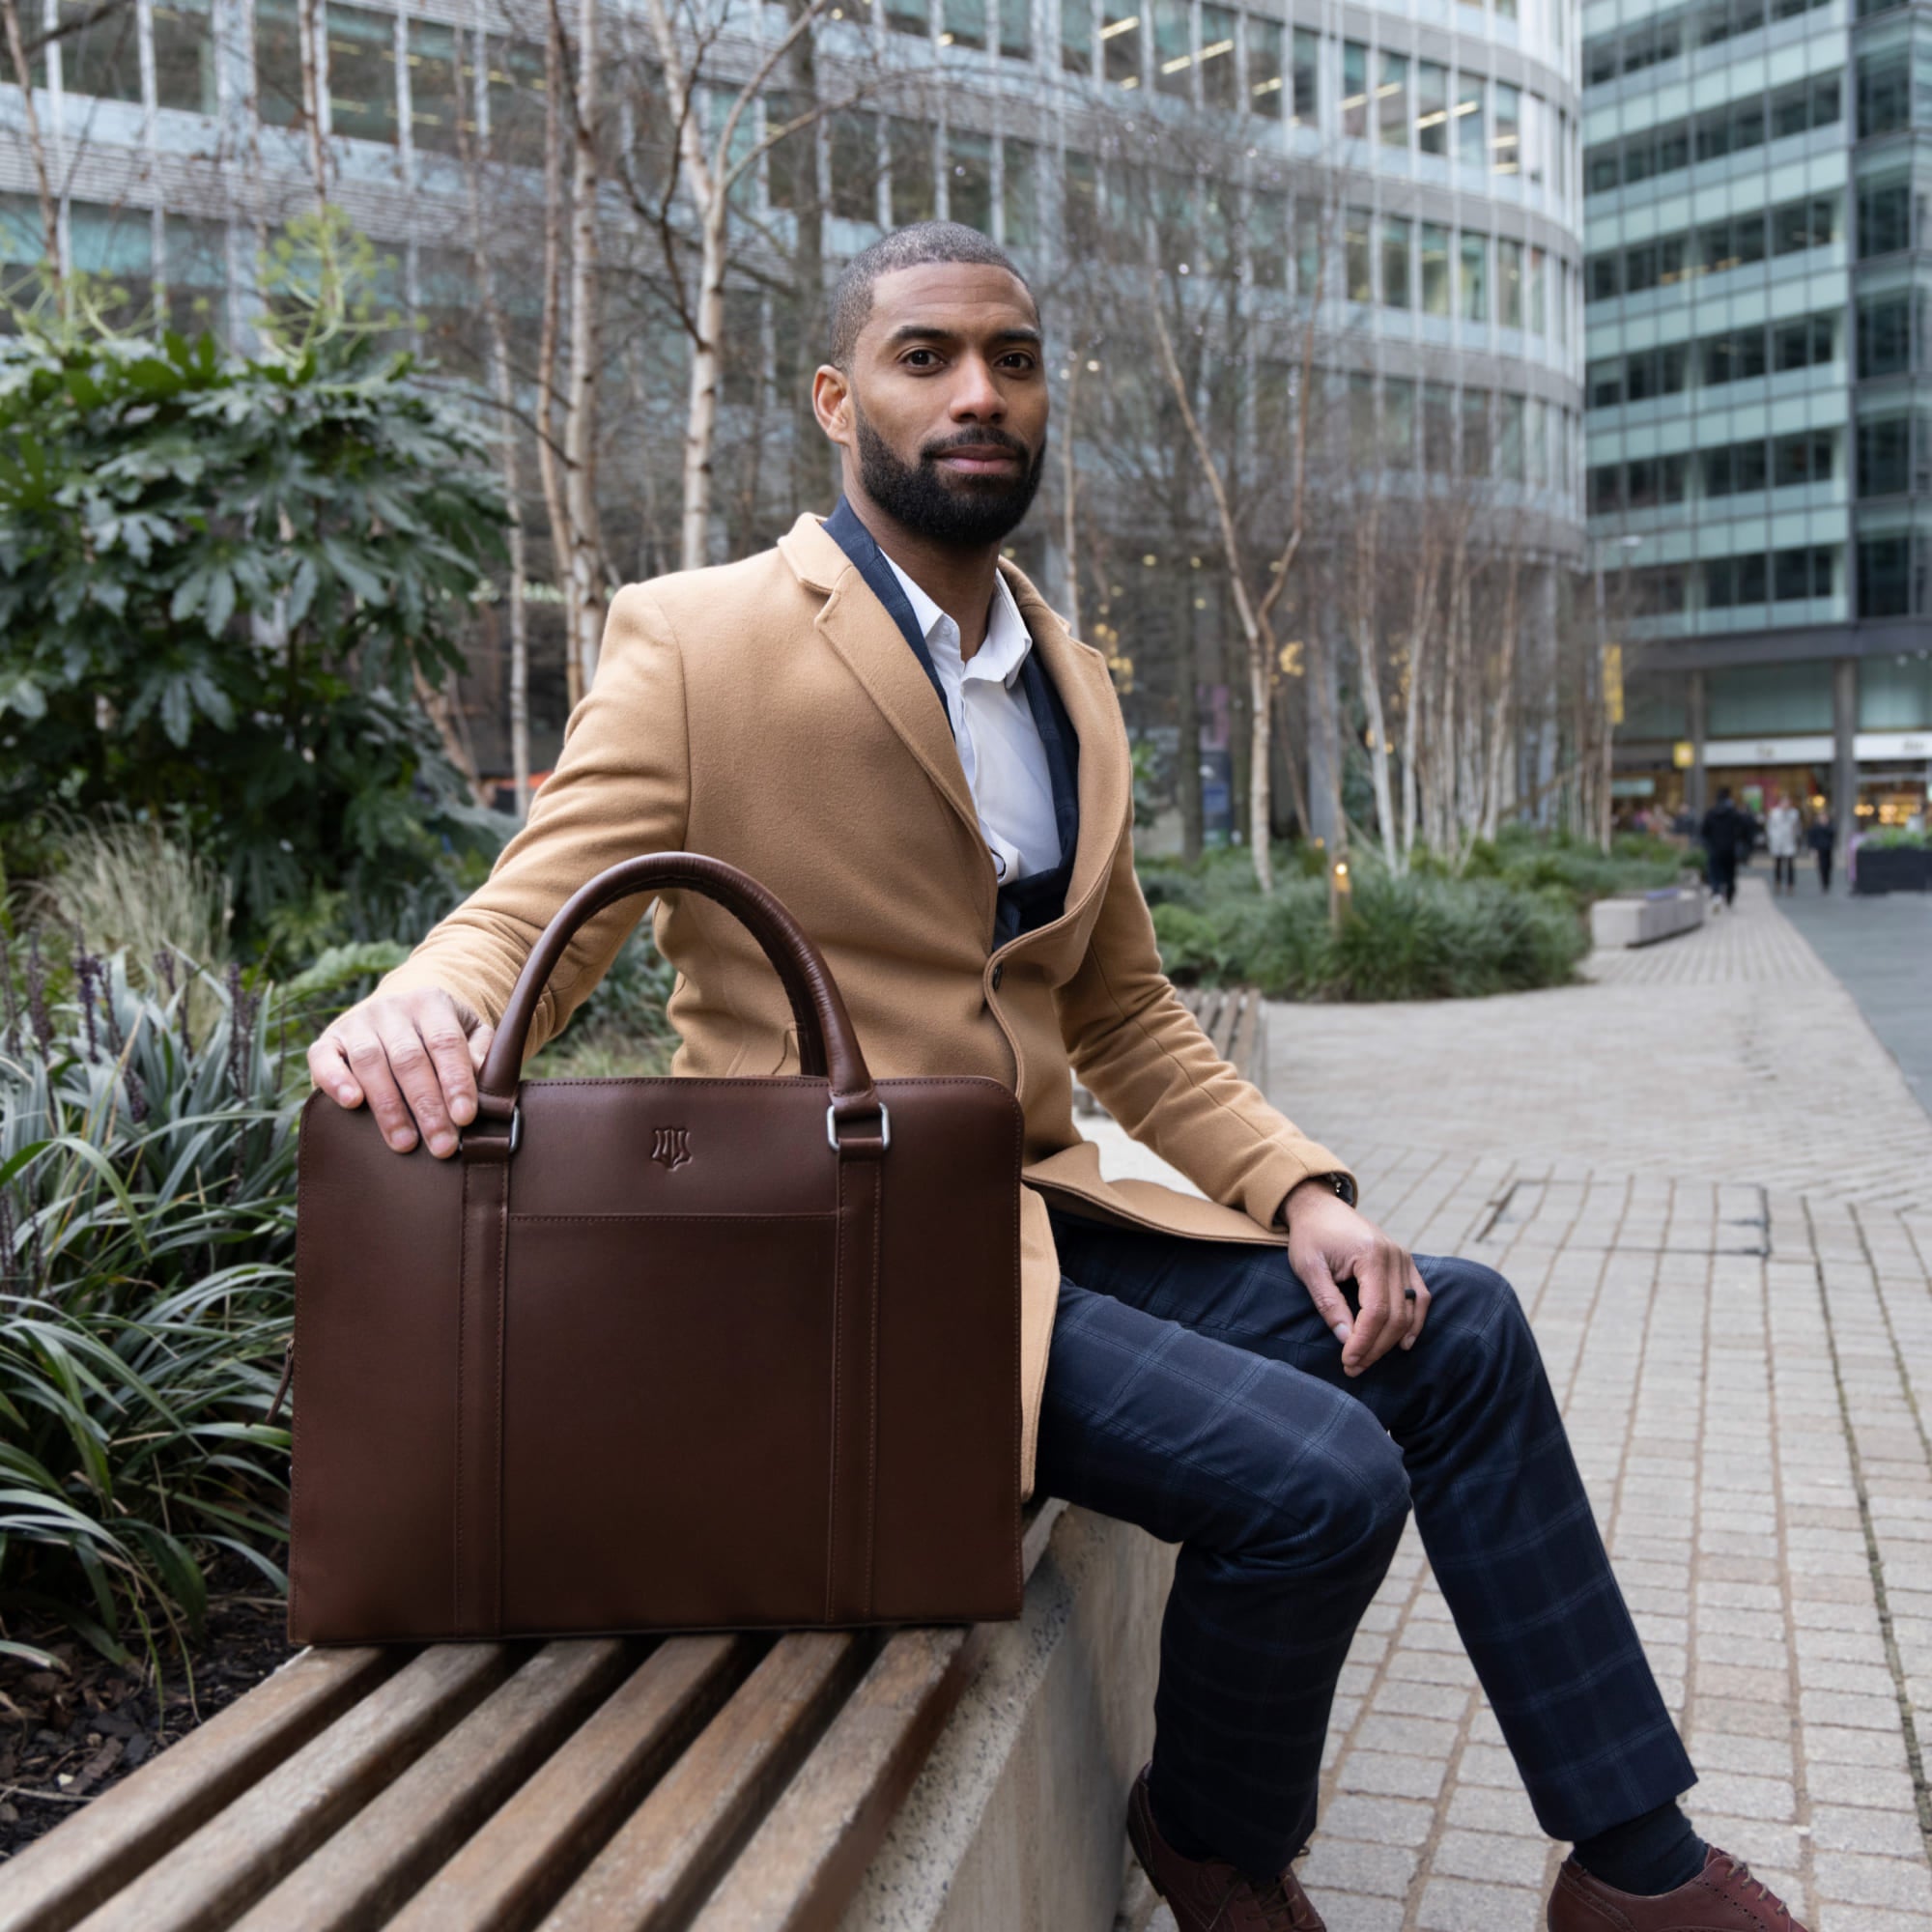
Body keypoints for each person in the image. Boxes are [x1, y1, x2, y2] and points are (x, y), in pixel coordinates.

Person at [306, 224, 1802, 1932]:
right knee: (1319, 1484)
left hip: (1035, 1224)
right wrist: (420, 1004)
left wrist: (1303, 1194)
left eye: (1011, 361)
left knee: (1454, 1330)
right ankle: (1217, 1841)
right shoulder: (701, 638)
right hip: (850, 1278)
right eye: (926, 357)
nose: (977, 395)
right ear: (834, 397)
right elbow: (539, 912)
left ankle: (1634, 1863)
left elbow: (1132, 1015)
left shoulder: (1067, 676)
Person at [1698, 786, 1753, 911]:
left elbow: (1703, 832)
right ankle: (1728, 896)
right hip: (1730, 850)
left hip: (1715, 850)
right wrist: (1743, 844)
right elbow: (1746, 828)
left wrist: (1708, 845)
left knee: (1714, 874)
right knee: (1730, 875)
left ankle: (1716, 893)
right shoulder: (1734, 814)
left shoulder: (1710, 814)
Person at [1765, 791, 1801, 895]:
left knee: (1790, 864)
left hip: (1789, 841)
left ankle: (1790, 885)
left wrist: (1796, 838)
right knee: (1778, 864)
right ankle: (1778, 883)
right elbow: (1770, 828)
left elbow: (1797, 828)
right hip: (1777, 842)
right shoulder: (1775, 813)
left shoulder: (1794, 813)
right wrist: (1772, 840)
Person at [1808, 810, 1838, 892]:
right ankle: (1824, 883)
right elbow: (1812, 838)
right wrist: (1813, 849)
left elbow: (1833, 835)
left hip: (1828, 849)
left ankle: (1827, 882)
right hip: (1819, 849)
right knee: (1822, 867)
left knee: (1828, 866)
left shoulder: (1830, 826)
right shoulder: (1815, 827)